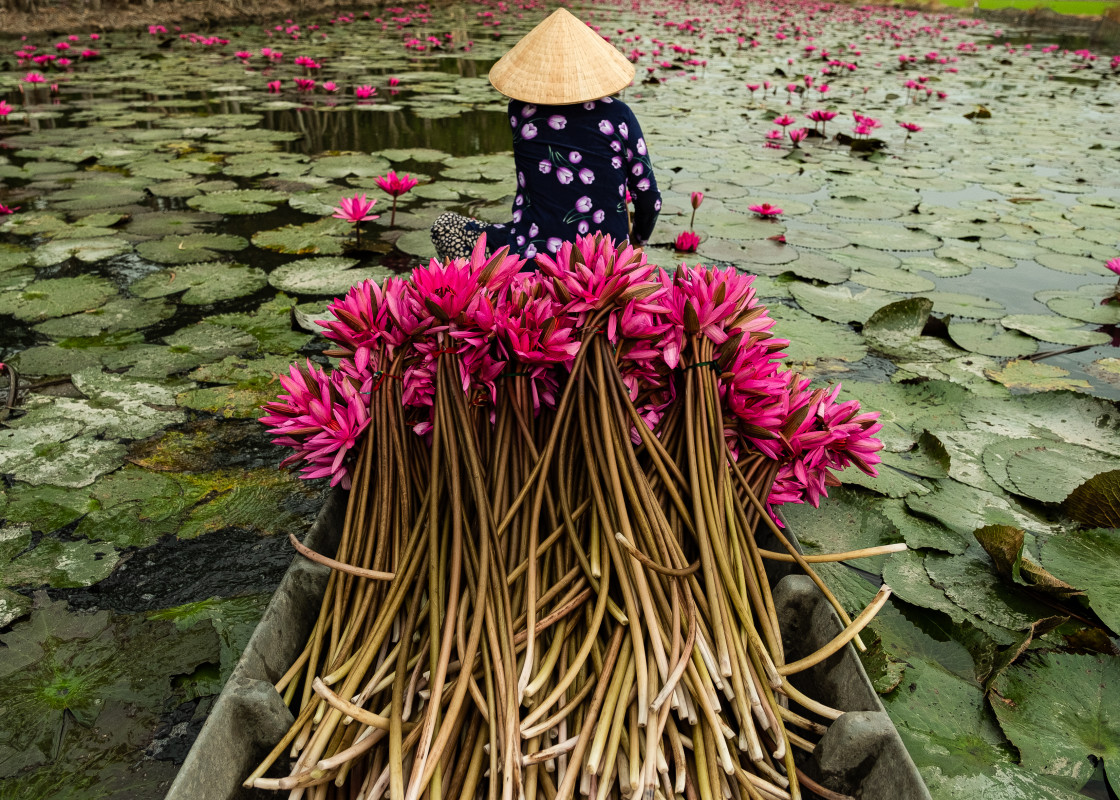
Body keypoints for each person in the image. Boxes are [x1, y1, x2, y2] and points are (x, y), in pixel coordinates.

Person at [430, 8, 661, 261]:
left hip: (533, 258)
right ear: (591, 70)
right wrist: (637, 242)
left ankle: (479, 286)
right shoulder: (620, 115)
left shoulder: (519, 110)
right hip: (605, 263)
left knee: (445, 225)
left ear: (537, 70)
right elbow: (649, 199)